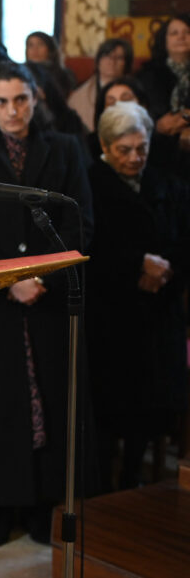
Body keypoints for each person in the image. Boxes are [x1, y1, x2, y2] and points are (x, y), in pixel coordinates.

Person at [0, 61, 93, 546]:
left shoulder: (65, 148)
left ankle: (42, 505)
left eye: (21, 100)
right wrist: (11, 282)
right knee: (3, 406)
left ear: (35, 99)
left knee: (51, 403)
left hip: (51, 299)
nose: (13, 110)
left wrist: (40, 276)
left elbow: (79, 222)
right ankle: (3, 504)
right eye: (2, 102)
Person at [86, 101, 190, 492]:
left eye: (141, 148)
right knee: (111, 407)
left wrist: (164, 270)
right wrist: (136, 266)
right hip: (112, 316)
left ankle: (135, 476)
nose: (134, 158)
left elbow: (184, 237)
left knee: (150, 407)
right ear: (105, 146)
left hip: (159, 311)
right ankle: (106, 487)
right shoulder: (90, 184)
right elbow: (90, 246)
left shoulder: (166, 184)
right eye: (124, 150)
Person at [135, 15, 190, 179]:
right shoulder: (147, 75)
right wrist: (158, 125)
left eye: (187, 32)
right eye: (174, 33)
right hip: (156, 152)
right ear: (164, 41)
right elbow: (141, 115)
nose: (181, 37)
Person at [67, 38, 133, 132]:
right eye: (107, 56)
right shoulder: (79, 96)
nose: (112, 61)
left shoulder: (134, 91)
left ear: (126, 64)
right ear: (98, 61)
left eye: (119, 58)